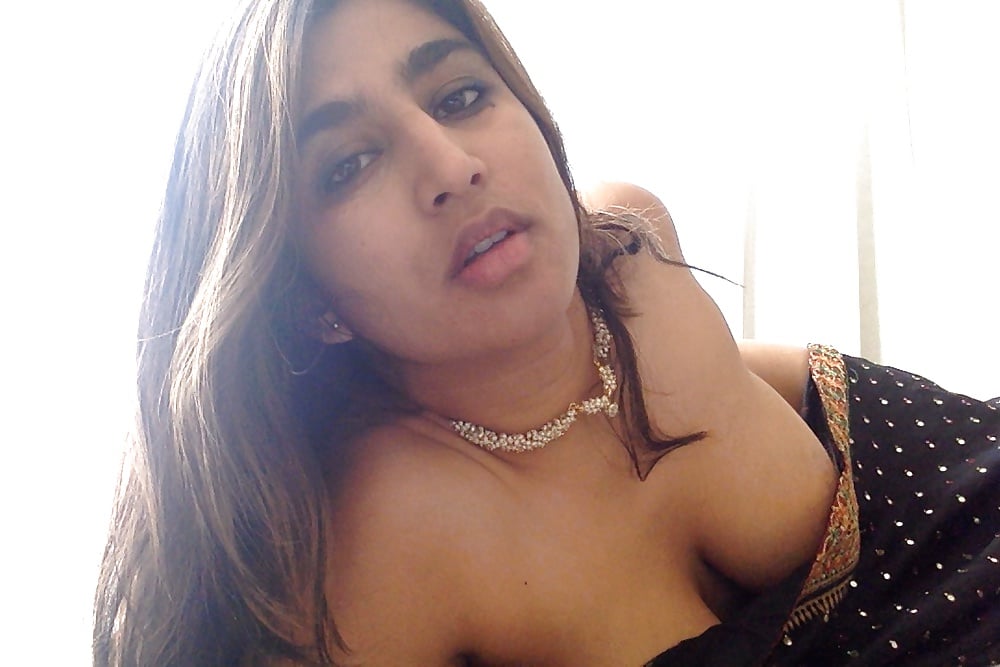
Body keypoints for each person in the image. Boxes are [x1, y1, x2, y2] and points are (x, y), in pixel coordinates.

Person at [93, 0, 1000, 665]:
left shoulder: (630, 248)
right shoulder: (388, 533)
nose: (452, 165)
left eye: (459, 94)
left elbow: (746, 382)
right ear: (305, 299)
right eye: (350, 164)